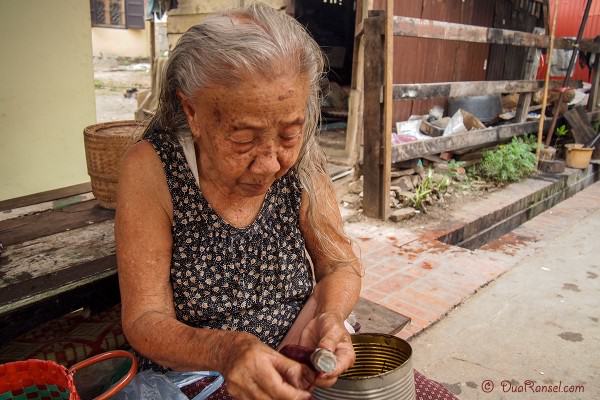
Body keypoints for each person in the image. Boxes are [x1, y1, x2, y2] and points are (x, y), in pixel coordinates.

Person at [115, 4, 362, 399]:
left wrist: (329, 318)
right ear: (191, 110)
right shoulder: (153, 167)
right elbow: (145, 319)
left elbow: (339, 265)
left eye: (287, 134)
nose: (268, 164)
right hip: (200, 377)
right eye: (243, 138)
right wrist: (227, 351)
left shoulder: (301, 162)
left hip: (301, 358)